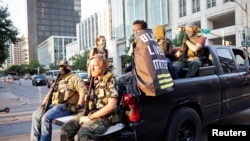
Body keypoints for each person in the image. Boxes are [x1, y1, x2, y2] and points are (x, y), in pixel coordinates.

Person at [60, 54, 118, 141]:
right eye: (90, 66)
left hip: (105, 118)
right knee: (65, 129)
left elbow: (111, 106)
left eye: (95, 65)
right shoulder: (93, 80)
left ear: (104, 66)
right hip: (91, 113)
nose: (92, 68)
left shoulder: (110, 81)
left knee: (83, 133)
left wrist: (90, 118)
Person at [31, 60, 86, 141]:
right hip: (53, 105)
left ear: (70, 67)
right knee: (35, 115)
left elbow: (82, 92)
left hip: (66, 107)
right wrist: (43, 104)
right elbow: (49, 94)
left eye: (64, 66)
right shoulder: (58, 80)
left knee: (46, 118)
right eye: (60, 66)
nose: (62, 68)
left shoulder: (75, 78)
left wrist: (79, 105)